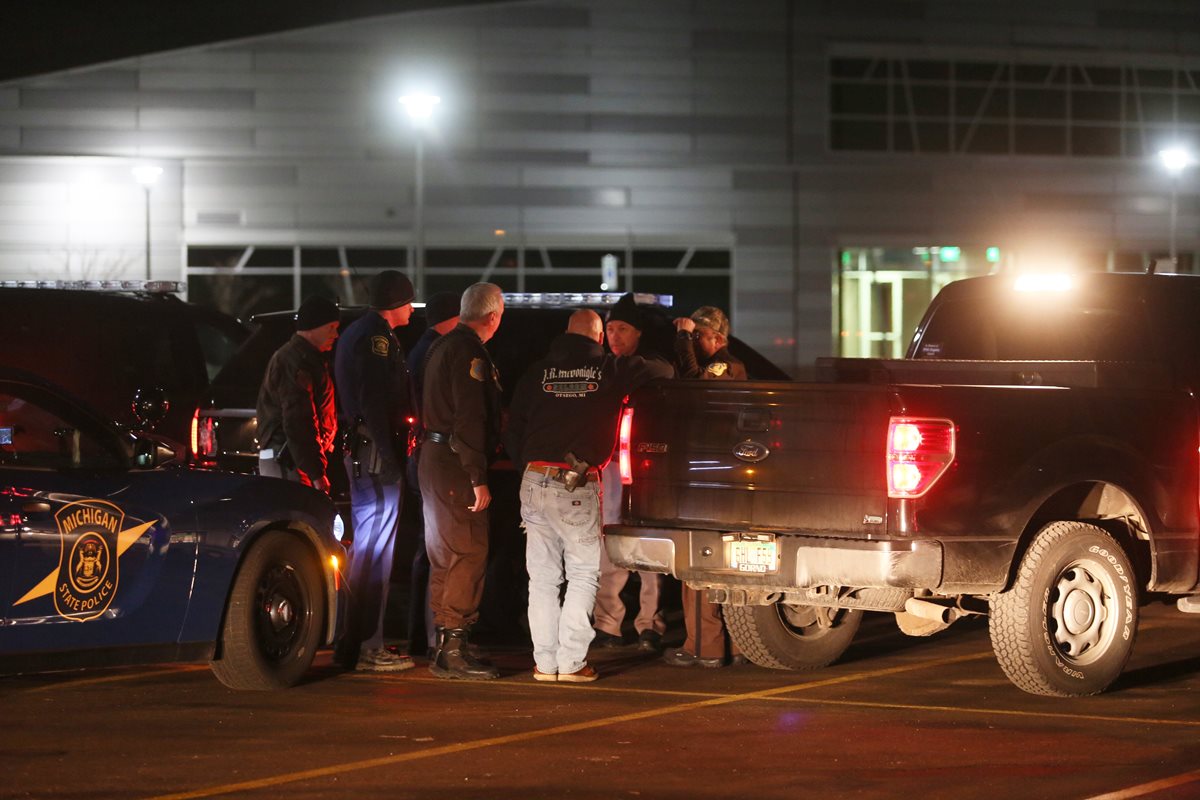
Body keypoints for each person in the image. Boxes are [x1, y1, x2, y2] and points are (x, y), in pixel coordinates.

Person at [506, 309, 670, 683]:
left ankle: (545, 664)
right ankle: (573, 662)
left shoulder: (537, 371)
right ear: (598, 337)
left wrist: (525, 466)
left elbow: (513, 427)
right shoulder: (609, 370)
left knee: (543, 579)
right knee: (582, 573)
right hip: (576, 482)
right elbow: (663, 372)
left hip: (533, 478)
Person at [419, 282, 505, 680]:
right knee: (468, 552)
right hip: (455, 463)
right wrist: (478, 475)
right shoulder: (470, 352)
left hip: (434, 458)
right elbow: (470, 418)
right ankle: (454, 648)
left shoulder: (441, 345)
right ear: (492, 317)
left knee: (444, 554)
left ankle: (445, 646)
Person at [333, 270, 417, 672]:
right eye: (408, 303)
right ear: (396, 303)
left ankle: (355, 643)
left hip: (365, 455)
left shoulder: (358, 333)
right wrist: (391, 459)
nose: (411, 311)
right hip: (375, 459)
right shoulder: (376, 338)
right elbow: (374, 402)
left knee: (366, 553)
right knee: (373, 556)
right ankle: (368, 644)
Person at [592, 293, 676, 652]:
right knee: (607, 545)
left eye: (622, 329)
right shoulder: (599, 367)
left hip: (644, 468)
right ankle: (607, 624)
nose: (615, 336)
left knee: (646, 549)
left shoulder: (652, 366)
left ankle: (649, 622)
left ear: (638, 333)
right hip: (608, 467)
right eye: (610, 329)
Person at [666, 305, 747, 668]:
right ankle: (731, 645)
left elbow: (694, 387)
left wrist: (682, 340)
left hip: (711, 476)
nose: (694, 340)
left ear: (719, 338)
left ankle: (706, 647)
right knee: (721, 564)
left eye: (700, 335)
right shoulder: (728, 365)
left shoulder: (724, 365)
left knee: (699, 562)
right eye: (692, 334)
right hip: (720, 473)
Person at [405, 290, 461, 659]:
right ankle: (429, 636)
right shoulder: (437, 351)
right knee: (436, 549)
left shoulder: (422, 348)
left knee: (428, 548)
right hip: (433, 452)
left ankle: (421, 635)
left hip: (419, 453)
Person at [255, 295, 340, 492]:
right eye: (331, 327)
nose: (336, 334)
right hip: (289, 462)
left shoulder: (305, 359)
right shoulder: (296, 362)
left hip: (293, 461)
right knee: (295, 520)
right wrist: (316, 473)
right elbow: (299, 421)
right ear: (314, 327)